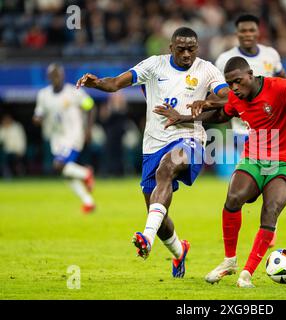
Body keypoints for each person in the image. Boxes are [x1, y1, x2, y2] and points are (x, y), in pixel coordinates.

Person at [154, 56, 286, 287]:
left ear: (250, 75)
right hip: (253, 158)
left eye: (238, 81)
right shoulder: (236, 97)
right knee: (233, 198)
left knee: (271, 209)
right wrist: (183, 118)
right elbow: (220, 115)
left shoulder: (276, 87)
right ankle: (230, 260)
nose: (234, 88)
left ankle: (247, 273)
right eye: (230, 84)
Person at [76, 27, 229, 278]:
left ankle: (145, 238)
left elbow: (229, 97)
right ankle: (179, 251)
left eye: (192, 49)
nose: (187, 54)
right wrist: (97, 83)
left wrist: (209, 101)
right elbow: (115, 83)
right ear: (171, 48)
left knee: (167, 168)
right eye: (181, 49)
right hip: (153, 144)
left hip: (190, 139)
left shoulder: (207, 70)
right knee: (159, 216)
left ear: (197, 48)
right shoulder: (154, 65)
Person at [215, 14, 286, 247]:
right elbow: (218, 90)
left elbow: (284, 79)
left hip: (271, 130)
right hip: (242, 129)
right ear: (237, 34)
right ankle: (266, 225)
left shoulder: (270, 55)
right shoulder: (225, 59)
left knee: (269, 185)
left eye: (251, 30)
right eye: (243, 31)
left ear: (258, 31)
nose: (247, 35)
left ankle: (269, 224)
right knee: (244, 191)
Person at [33, 63, 96, 213]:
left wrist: (88, 128)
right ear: (48, 77)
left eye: (58, 75)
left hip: (74, 134)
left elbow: (90, 106)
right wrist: (37, 119)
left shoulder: (73, 92)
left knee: (59, 165)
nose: (55, 78)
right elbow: (38, 114)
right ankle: (88, 202)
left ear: (62, 76)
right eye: (52, 75)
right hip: (56, 138)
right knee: (65, 173)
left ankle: (86, 174)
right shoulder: (43, 95)